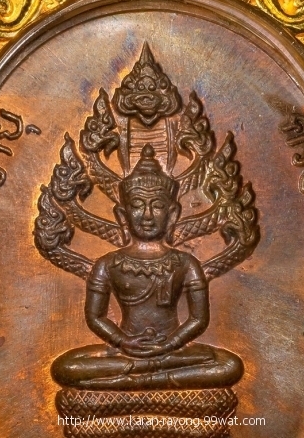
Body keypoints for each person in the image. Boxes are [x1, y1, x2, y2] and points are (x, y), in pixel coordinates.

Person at [52, 145, 243, 389]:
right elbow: (95, 317)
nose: (148, 215)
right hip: (126, 352)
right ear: (122, 215)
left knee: (229, 365)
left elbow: (198, 318)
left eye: (158, 206)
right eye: (137, 205)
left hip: (172, 351)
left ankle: (134, 378)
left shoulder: (186, 263)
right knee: (66, 368)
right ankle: (152, 375)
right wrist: (122, 342)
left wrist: (170, 345)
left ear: (172, 214)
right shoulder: (108, 264)